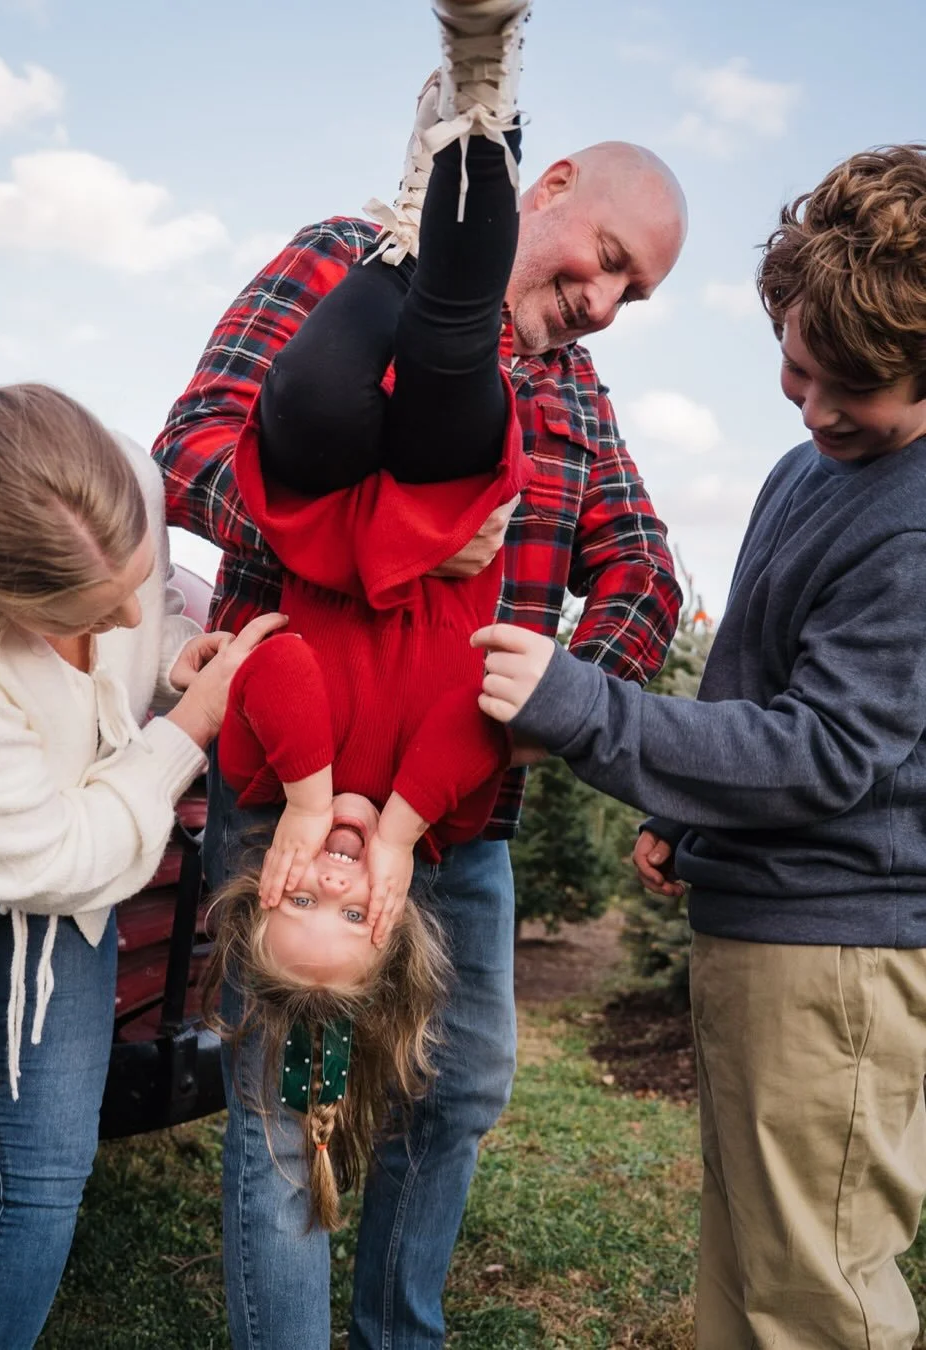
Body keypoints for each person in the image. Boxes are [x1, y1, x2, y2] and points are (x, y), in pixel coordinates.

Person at [154, 0, 686, 1342]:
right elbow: (193, 446)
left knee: (455, 1092)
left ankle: (400, 1329)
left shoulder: (579, 397)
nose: (608, 304)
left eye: (637, 294)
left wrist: (537, 708)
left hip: (460, 809)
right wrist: (358, 539)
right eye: (609, 260)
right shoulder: (341, 258)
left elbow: (646, 577)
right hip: (294, 794)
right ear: (549, 190)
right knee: (285, 1102)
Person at [472, 144, 926, 1350]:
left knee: (817, 1296)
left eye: (858, 393)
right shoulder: (805, 471)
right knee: (748, 1277)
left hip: (838, 953)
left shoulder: (918, 519)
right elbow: (757, 680)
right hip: (760, 925)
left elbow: (830, 747)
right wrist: (689, 813)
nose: (821, 411)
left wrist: (582, 706)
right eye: (798, 369)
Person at [0, 383, 281, 1349]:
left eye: (135, 576)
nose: (129, 610)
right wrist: (189, 728)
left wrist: (173, 653)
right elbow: (60, 855)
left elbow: (150, 604)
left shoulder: (118, 474)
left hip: (69, 846)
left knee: (45, 1174)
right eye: (95, 607)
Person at [204, 6, 536, 1230]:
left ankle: (404, 231)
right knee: (455, 354)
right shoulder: (426, 819)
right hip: (438, 539)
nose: (336, 878)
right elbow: (476, 728)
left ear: (265, 885)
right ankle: (484, 99)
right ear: (392, 915)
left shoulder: (270, 769)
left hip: (323, 518)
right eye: (357, 913)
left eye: (303, 899)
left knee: (316, 384)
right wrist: (397, 828)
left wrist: (307, 794)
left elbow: (277, 661)